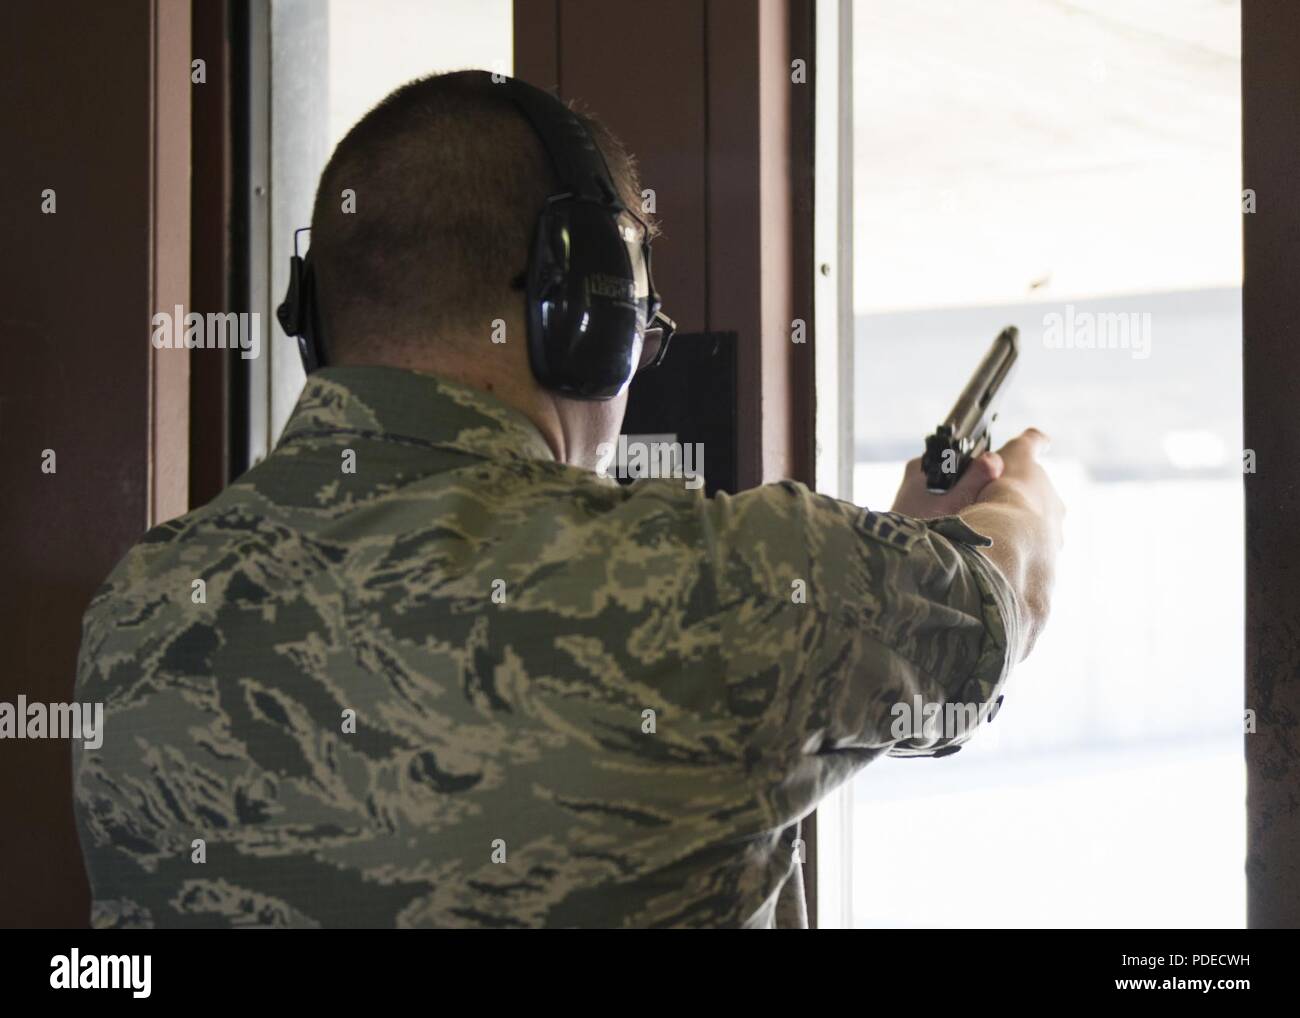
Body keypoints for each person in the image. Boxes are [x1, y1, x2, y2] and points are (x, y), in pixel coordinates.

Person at [73, 70, 1063, 929]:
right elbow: (995, 602)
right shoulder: (709, 589)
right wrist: (1023, 493)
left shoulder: (140, 605)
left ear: (319, 319)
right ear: (589, 314)